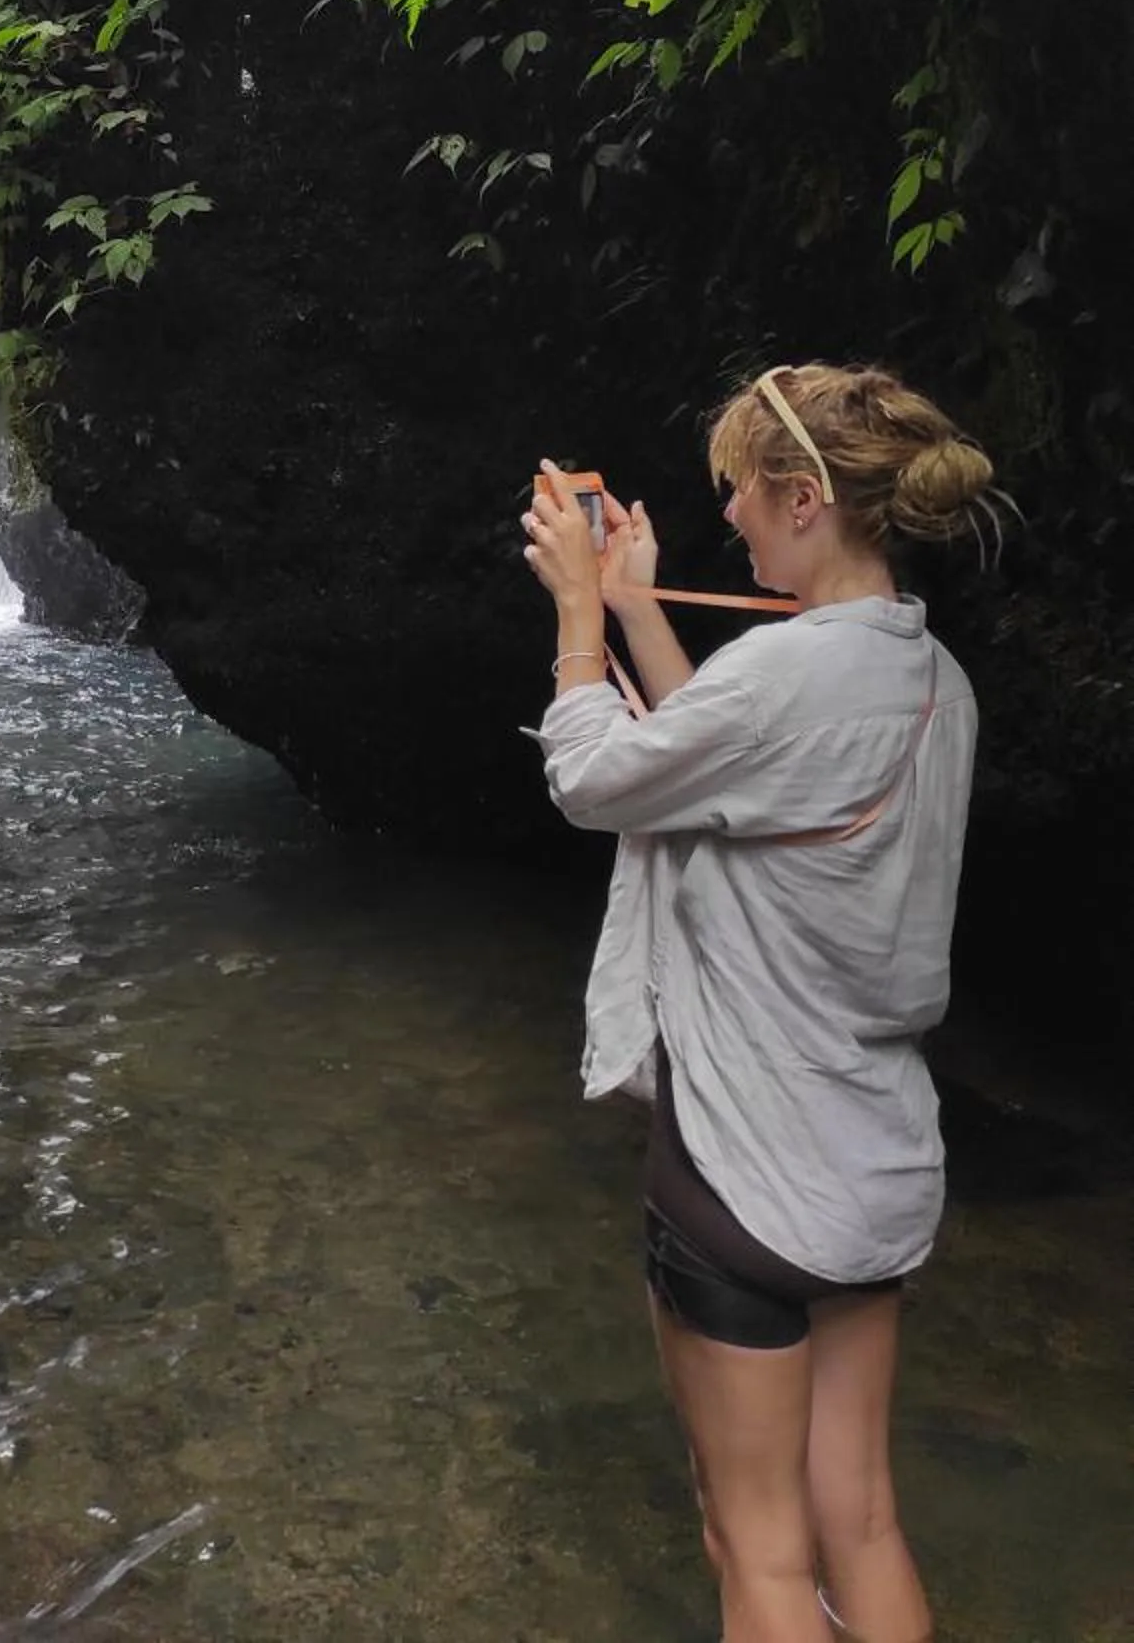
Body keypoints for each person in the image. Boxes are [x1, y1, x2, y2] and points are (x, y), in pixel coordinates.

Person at [521, 361, 994, 1643]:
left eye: (738, 494)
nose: (725, 519)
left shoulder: (788, 672)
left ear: (801, 499)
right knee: (864, 1522)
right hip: (874, 1169)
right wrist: (637, 610)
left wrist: (576, 617)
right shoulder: (936, 684)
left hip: (740, 1177)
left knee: (758, 1548)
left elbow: (602, 781)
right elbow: (728, 765)